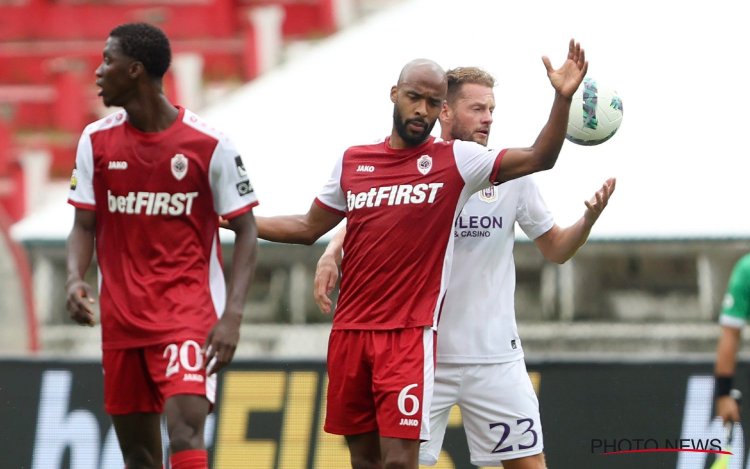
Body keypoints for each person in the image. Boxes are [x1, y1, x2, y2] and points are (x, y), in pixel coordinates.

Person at [254, 40, 588, 469]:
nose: (421, 110)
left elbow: (542, 158)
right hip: (353, 331)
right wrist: (242, 219)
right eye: (415, 98)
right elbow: (310, 225)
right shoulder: (355, 160)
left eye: (431, 102)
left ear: (439, 110)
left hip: (418, 339)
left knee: (400, 462)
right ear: (394, 94)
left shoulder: (458, 162)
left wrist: (562, 98)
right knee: (365, 460)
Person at [65, 23, 258, 469]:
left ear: (134, 70)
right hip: (122, 321)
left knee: (186, 429)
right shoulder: (95, 141)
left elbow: (246, 230)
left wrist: (232, 316)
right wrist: (75, 278)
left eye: (107, 61)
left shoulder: (210, 145)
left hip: (187, 314)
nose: (98, 72)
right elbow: (83, 224)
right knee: (138, 454)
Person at [714, 254, 750, 424]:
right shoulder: (746, 269)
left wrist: (724, 395)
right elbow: (730, 333)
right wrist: (723, 394)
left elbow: (730, 334)